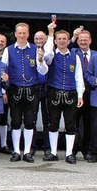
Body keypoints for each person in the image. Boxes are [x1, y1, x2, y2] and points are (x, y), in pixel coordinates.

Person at [1, 22, 49, 163]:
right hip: (14, 89)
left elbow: (43, 71)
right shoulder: (8, 50)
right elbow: (4, 71)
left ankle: (27, 152)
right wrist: (4, 90)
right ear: (15, 34)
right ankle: (16, 151)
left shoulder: (35, 49)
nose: (22, 35)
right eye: (19, 33)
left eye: (24, 33)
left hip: (31, 89)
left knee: (30, 122)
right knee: (15, 122)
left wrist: (40, 60)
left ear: (28, 34)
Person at [42, 29, 84, 164]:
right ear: (55, 41)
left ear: (68, 40)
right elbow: (47, 52)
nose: (61, 41)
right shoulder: (51, 55)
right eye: (59, 39)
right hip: (54, 93)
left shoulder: (75, 57)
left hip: (71, 93)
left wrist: (80, 95)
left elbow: (79, 77)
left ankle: (69, 153)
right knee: (53, 123)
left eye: (64, 39)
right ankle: (53, 152)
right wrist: (50, 34)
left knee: (70, 124)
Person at [71, 29, 95, 160]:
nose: (83, 42)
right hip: (76, 93)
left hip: (92, 93)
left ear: (90, 40)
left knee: (88, 123)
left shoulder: (96, 55)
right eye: (81, 40)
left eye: (86, 39)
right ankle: (72, 150)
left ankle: (87, 150)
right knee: (73, 122)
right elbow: (65, 46)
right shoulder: (73, 52)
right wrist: (74, 36)